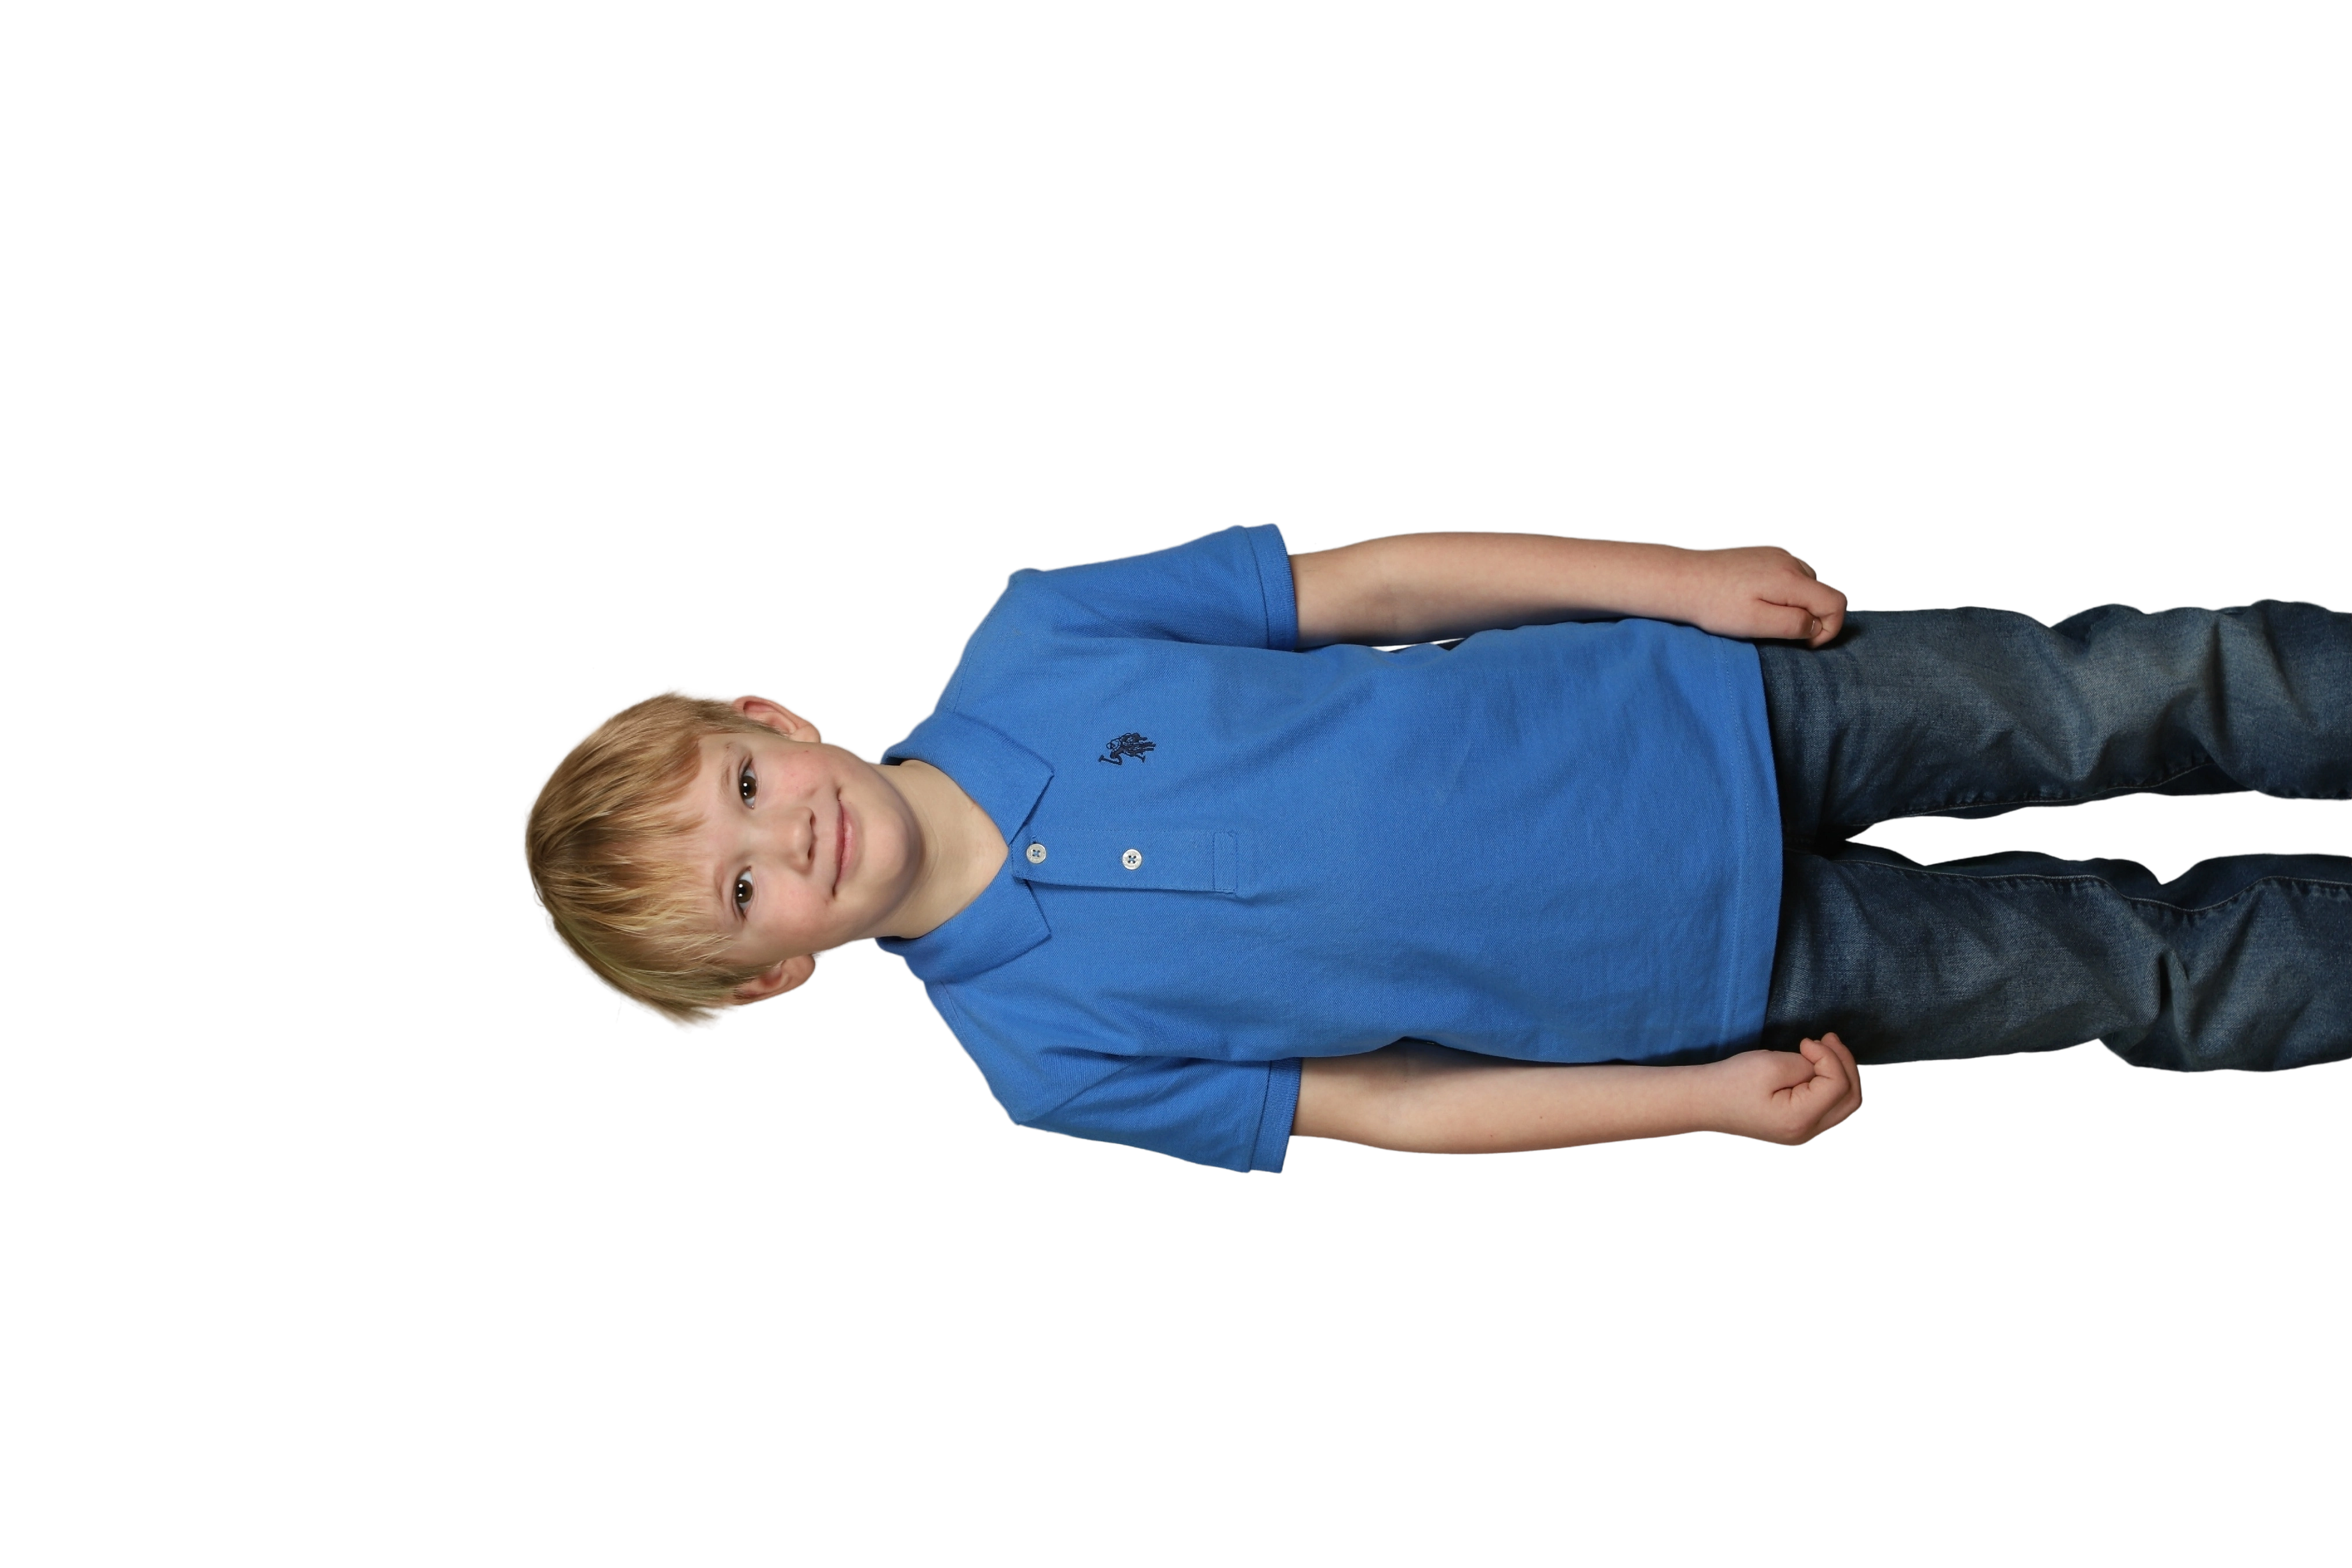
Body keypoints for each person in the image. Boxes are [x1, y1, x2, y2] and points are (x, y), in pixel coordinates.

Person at [519, 522, 2352, 1175]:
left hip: (1720, 705)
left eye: (740, 789)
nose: (785, 835)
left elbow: (1380, 587)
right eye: (742, 889)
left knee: (2115, 692)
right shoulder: (1044, 1062)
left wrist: (1678, 581)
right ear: (775, 974)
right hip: (1720, 983)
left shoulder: (1039, 636)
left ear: (765, 716)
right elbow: (1396, 1107)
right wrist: (1701, 1105)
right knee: (2139, 974)